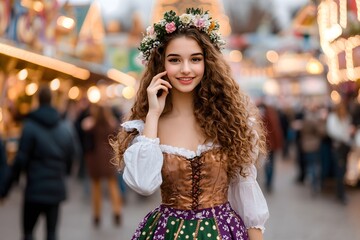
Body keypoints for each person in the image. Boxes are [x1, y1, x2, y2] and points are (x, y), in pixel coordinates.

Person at [110, 8, 269, 240]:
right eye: (175, 60)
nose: (186, 69)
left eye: (195, 59)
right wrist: (153, 114)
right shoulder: (147, 129)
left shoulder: (231, 122)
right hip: (167, 233)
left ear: (207, 63)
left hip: (222, 233)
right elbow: (144, 185)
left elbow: (246, 189)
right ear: (160, 64)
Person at [0, 85, 78, 240]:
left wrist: (5, 188)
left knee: (28, 232)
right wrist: (64, 174)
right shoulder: (63, 127)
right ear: (52, 100)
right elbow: (72, 155)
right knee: (51, 233)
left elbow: (20, 161)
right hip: (55, 190)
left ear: (37, 100)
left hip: (34, 190)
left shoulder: (30, 127)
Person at [82, 104, 122, 227]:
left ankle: (97, 215)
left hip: (95, 159)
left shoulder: (91, 125)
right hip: (109, 158)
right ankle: (117, 211)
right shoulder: (112, 124)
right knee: (113, 185)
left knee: (96, 187)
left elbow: (83, 128)